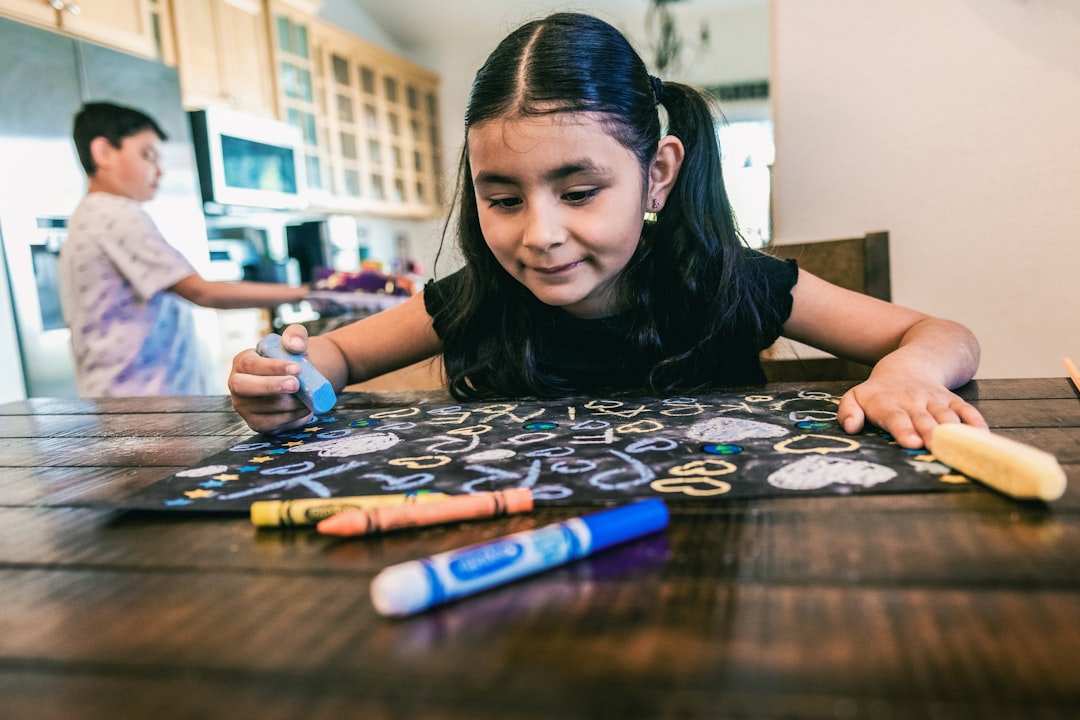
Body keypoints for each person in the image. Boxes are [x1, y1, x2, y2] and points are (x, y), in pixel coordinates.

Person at [228, 12, 986, 450]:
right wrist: (293, 377)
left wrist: (909, 374)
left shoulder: (727, 280)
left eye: (580, 191)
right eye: (504, 199)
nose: (541, 235)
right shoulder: (473, 297)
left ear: (656, 173)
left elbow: (938, 331)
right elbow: (333, 354)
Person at [60, 101, 311, 397]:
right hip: (139, 400)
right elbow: (203, 292)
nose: (160, 171)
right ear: (103, 152)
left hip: (124, 396)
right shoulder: (114, 214)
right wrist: (304, 293)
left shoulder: (90, 215)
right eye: (147, 156)